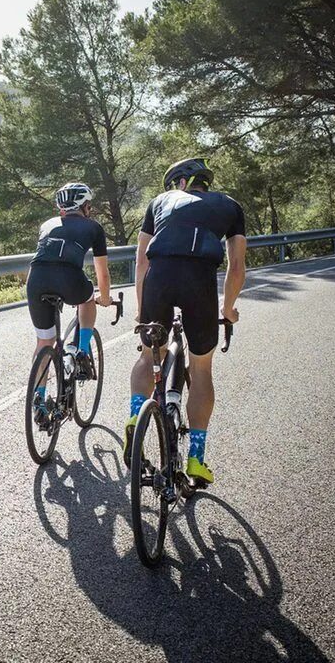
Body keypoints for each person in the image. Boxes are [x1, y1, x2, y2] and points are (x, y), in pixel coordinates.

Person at [126, 158, 247, 485]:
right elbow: (237, 267)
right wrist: (229, 309)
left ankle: (134, 422)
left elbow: (140, 262)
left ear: (179, 183)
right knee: (201, 368)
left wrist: (141, 311)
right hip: (199, 283)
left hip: (159, 278)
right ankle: (195, 459)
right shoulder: (230, 206)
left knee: (149, 354)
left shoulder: (159, 202)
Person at [26, 183, 112, 415]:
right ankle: (82, 350)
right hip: (69, 278)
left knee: (45, 342)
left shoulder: (47, 224)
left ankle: (38, 400)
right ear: (84, 206)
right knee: (87, 298)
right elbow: (102, 272)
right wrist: (104, 297)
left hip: (35, 280)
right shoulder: (93, 227)